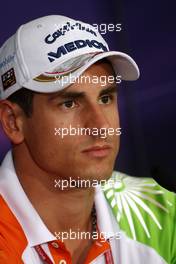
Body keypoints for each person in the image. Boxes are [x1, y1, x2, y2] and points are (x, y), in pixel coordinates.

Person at [0, 15, 175, 264]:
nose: (101, 126)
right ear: (12, 121)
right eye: (69, 103)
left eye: (105, 98)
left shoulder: (162, 212)